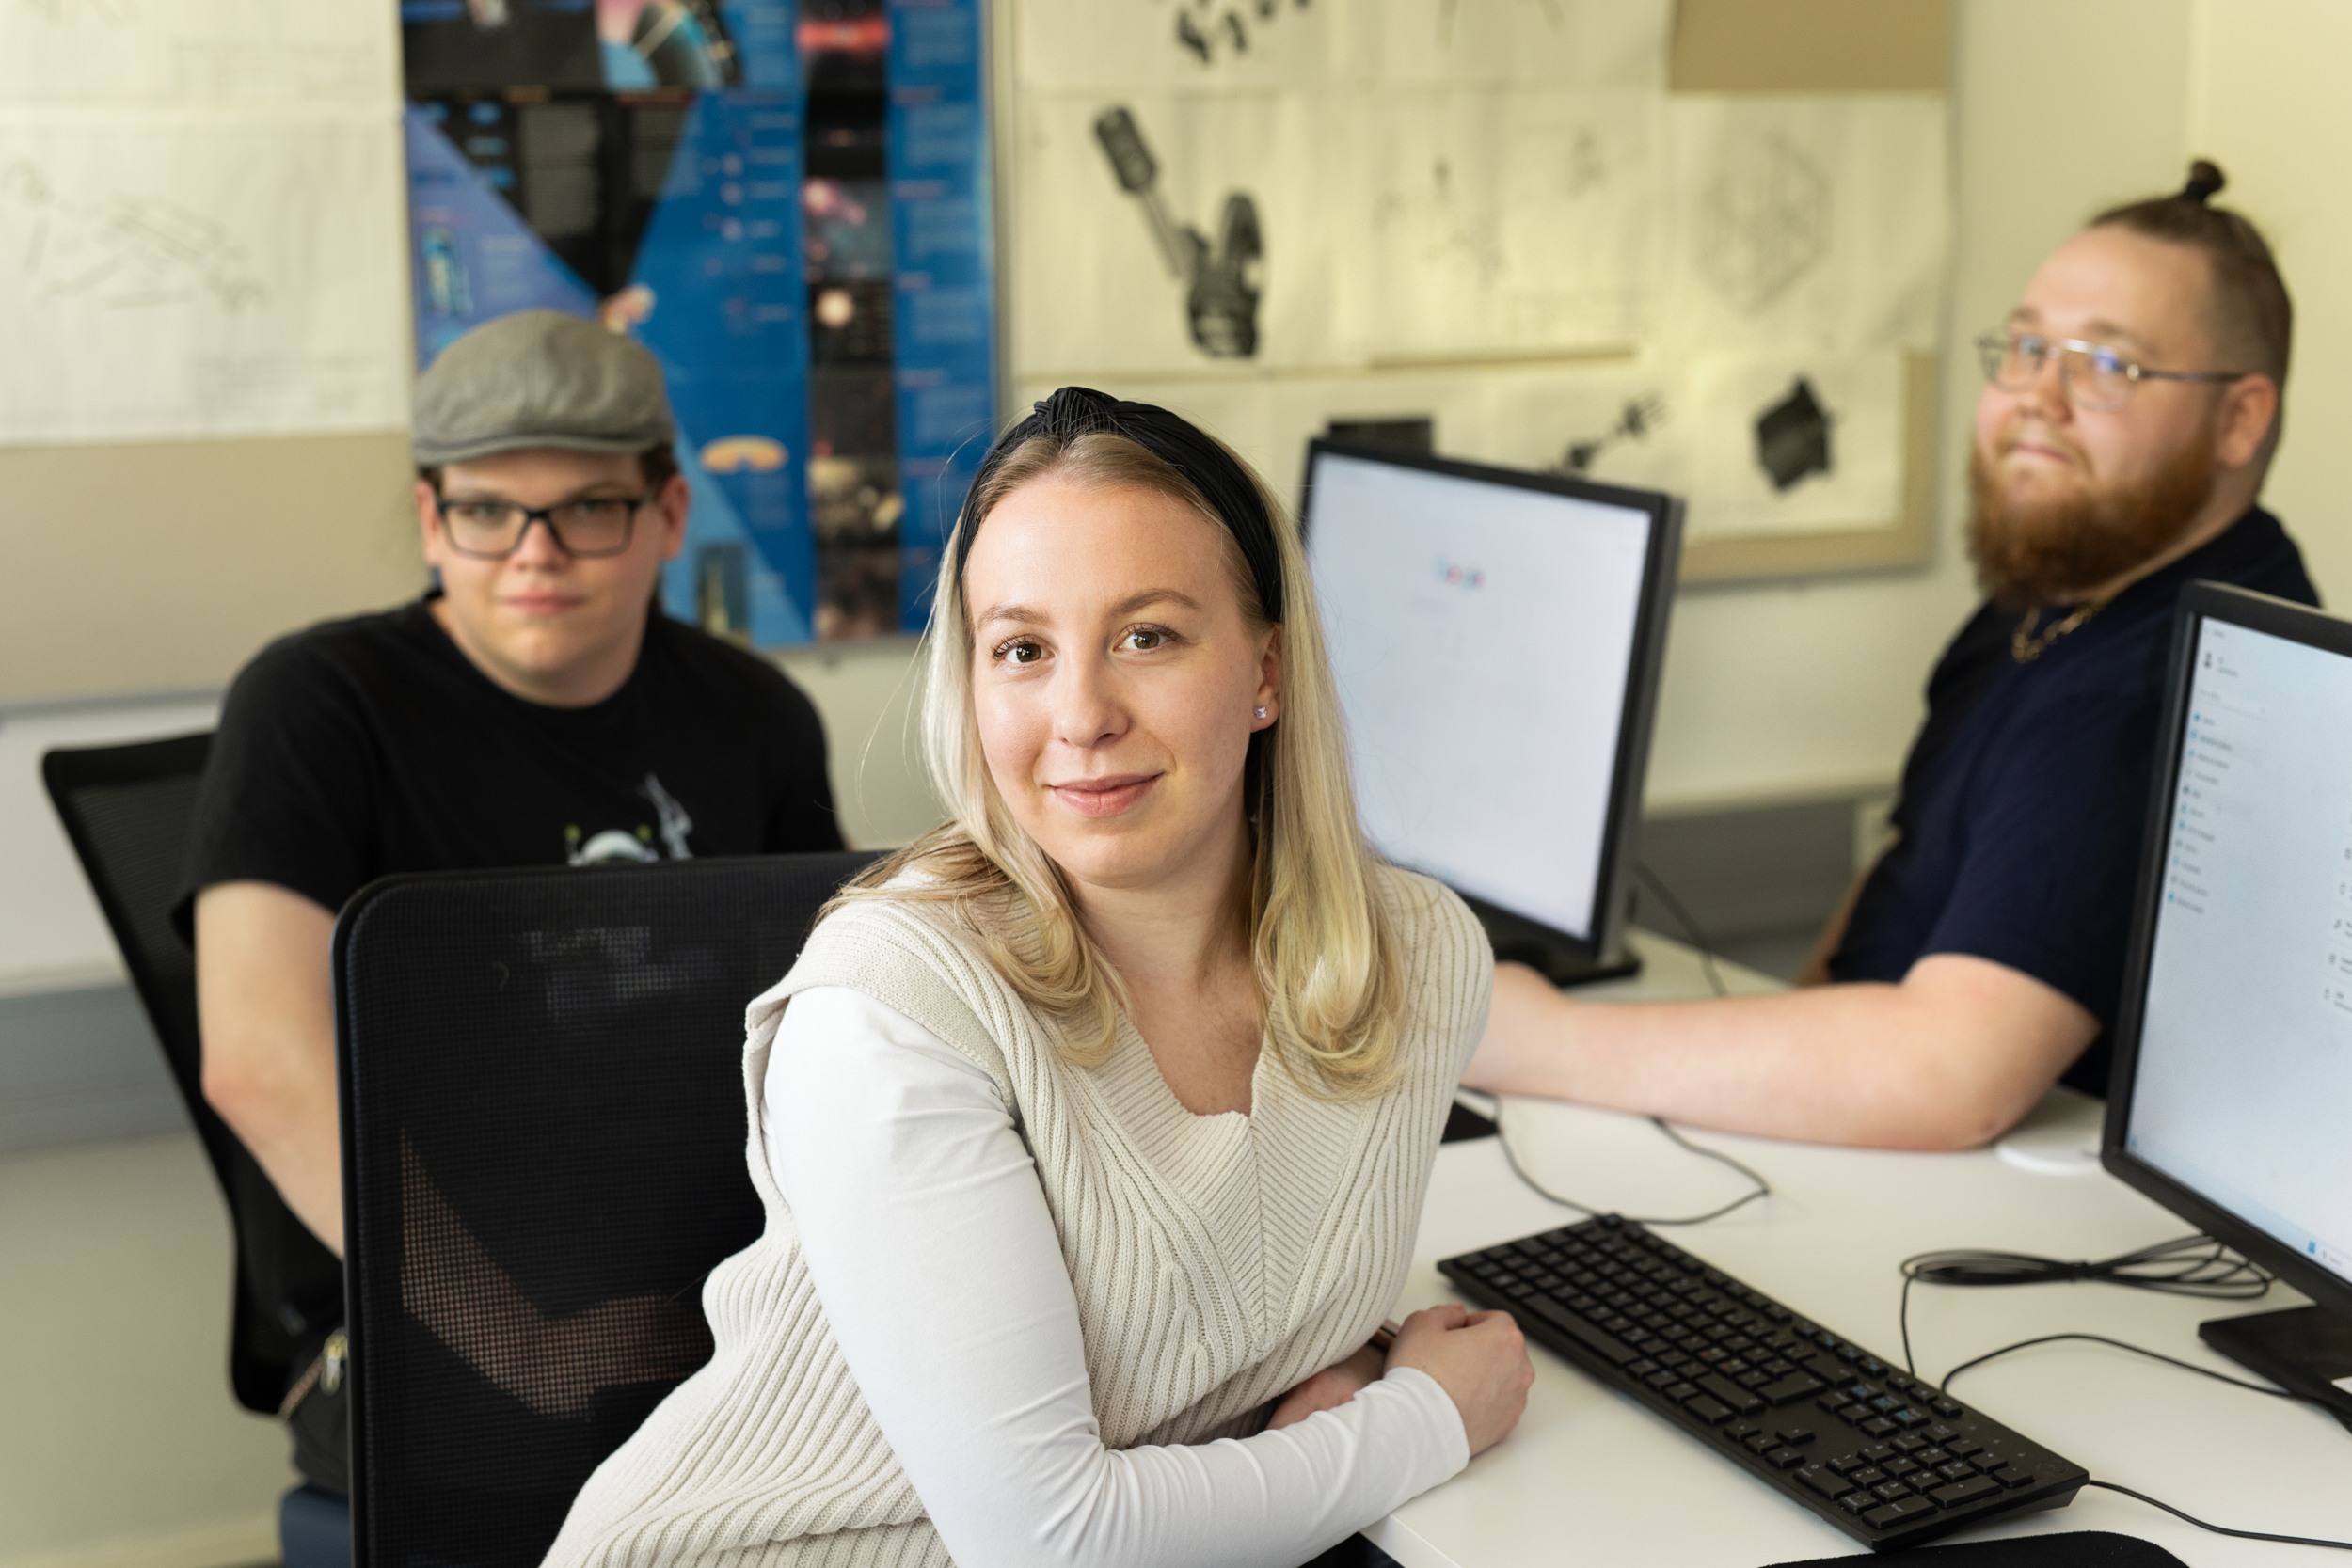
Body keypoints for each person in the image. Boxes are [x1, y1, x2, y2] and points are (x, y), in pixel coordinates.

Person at [544, 388, 1533, 1568]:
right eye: (1021, 649)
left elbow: (1243, 1293)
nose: (1080, 715)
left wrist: (1343, 1371)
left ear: (1265, 667)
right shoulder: (892, 1016)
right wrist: (1419, 1415)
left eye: (1145, 636)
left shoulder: (1413, 960)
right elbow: (1053, 1545)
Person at [1470, 161, 2317, 1151]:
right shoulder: (2060, 589)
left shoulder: (2186, 679)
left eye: (2107, 366)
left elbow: (1949, 1072)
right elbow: (1905, 866)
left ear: (2240, 418)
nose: (2038, 397)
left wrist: (1547, 1040)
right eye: (2029, 346)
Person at [178, 310, 841, 1526]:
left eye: (589, 506)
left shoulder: (754, 714)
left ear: (670, 516)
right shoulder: (318, 705)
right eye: (486, 510)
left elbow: (835, 1022)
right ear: (433, 518)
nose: (535, 553)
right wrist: (524, 1341)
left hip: (708, 1290)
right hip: (429, 1312)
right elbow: (261, 1065)